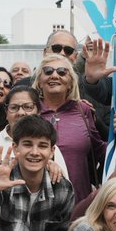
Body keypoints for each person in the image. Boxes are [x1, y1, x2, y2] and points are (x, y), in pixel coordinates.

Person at [36, 53, 105, 202]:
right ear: (39, 82)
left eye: (61, 72)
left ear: (70, 82)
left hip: (79, 204)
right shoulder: (30, 111)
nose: (54, 75)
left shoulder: (83, 110)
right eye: (48, 71)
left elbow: (100, 151)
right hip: (38, 206)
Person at [0, 85, 69, 178]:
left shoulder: (49, 148)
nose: (21, 113)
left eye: (28, 107)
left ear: (38, 112)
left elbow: (65, 190)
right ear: (6, 112)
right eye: (14, 108)